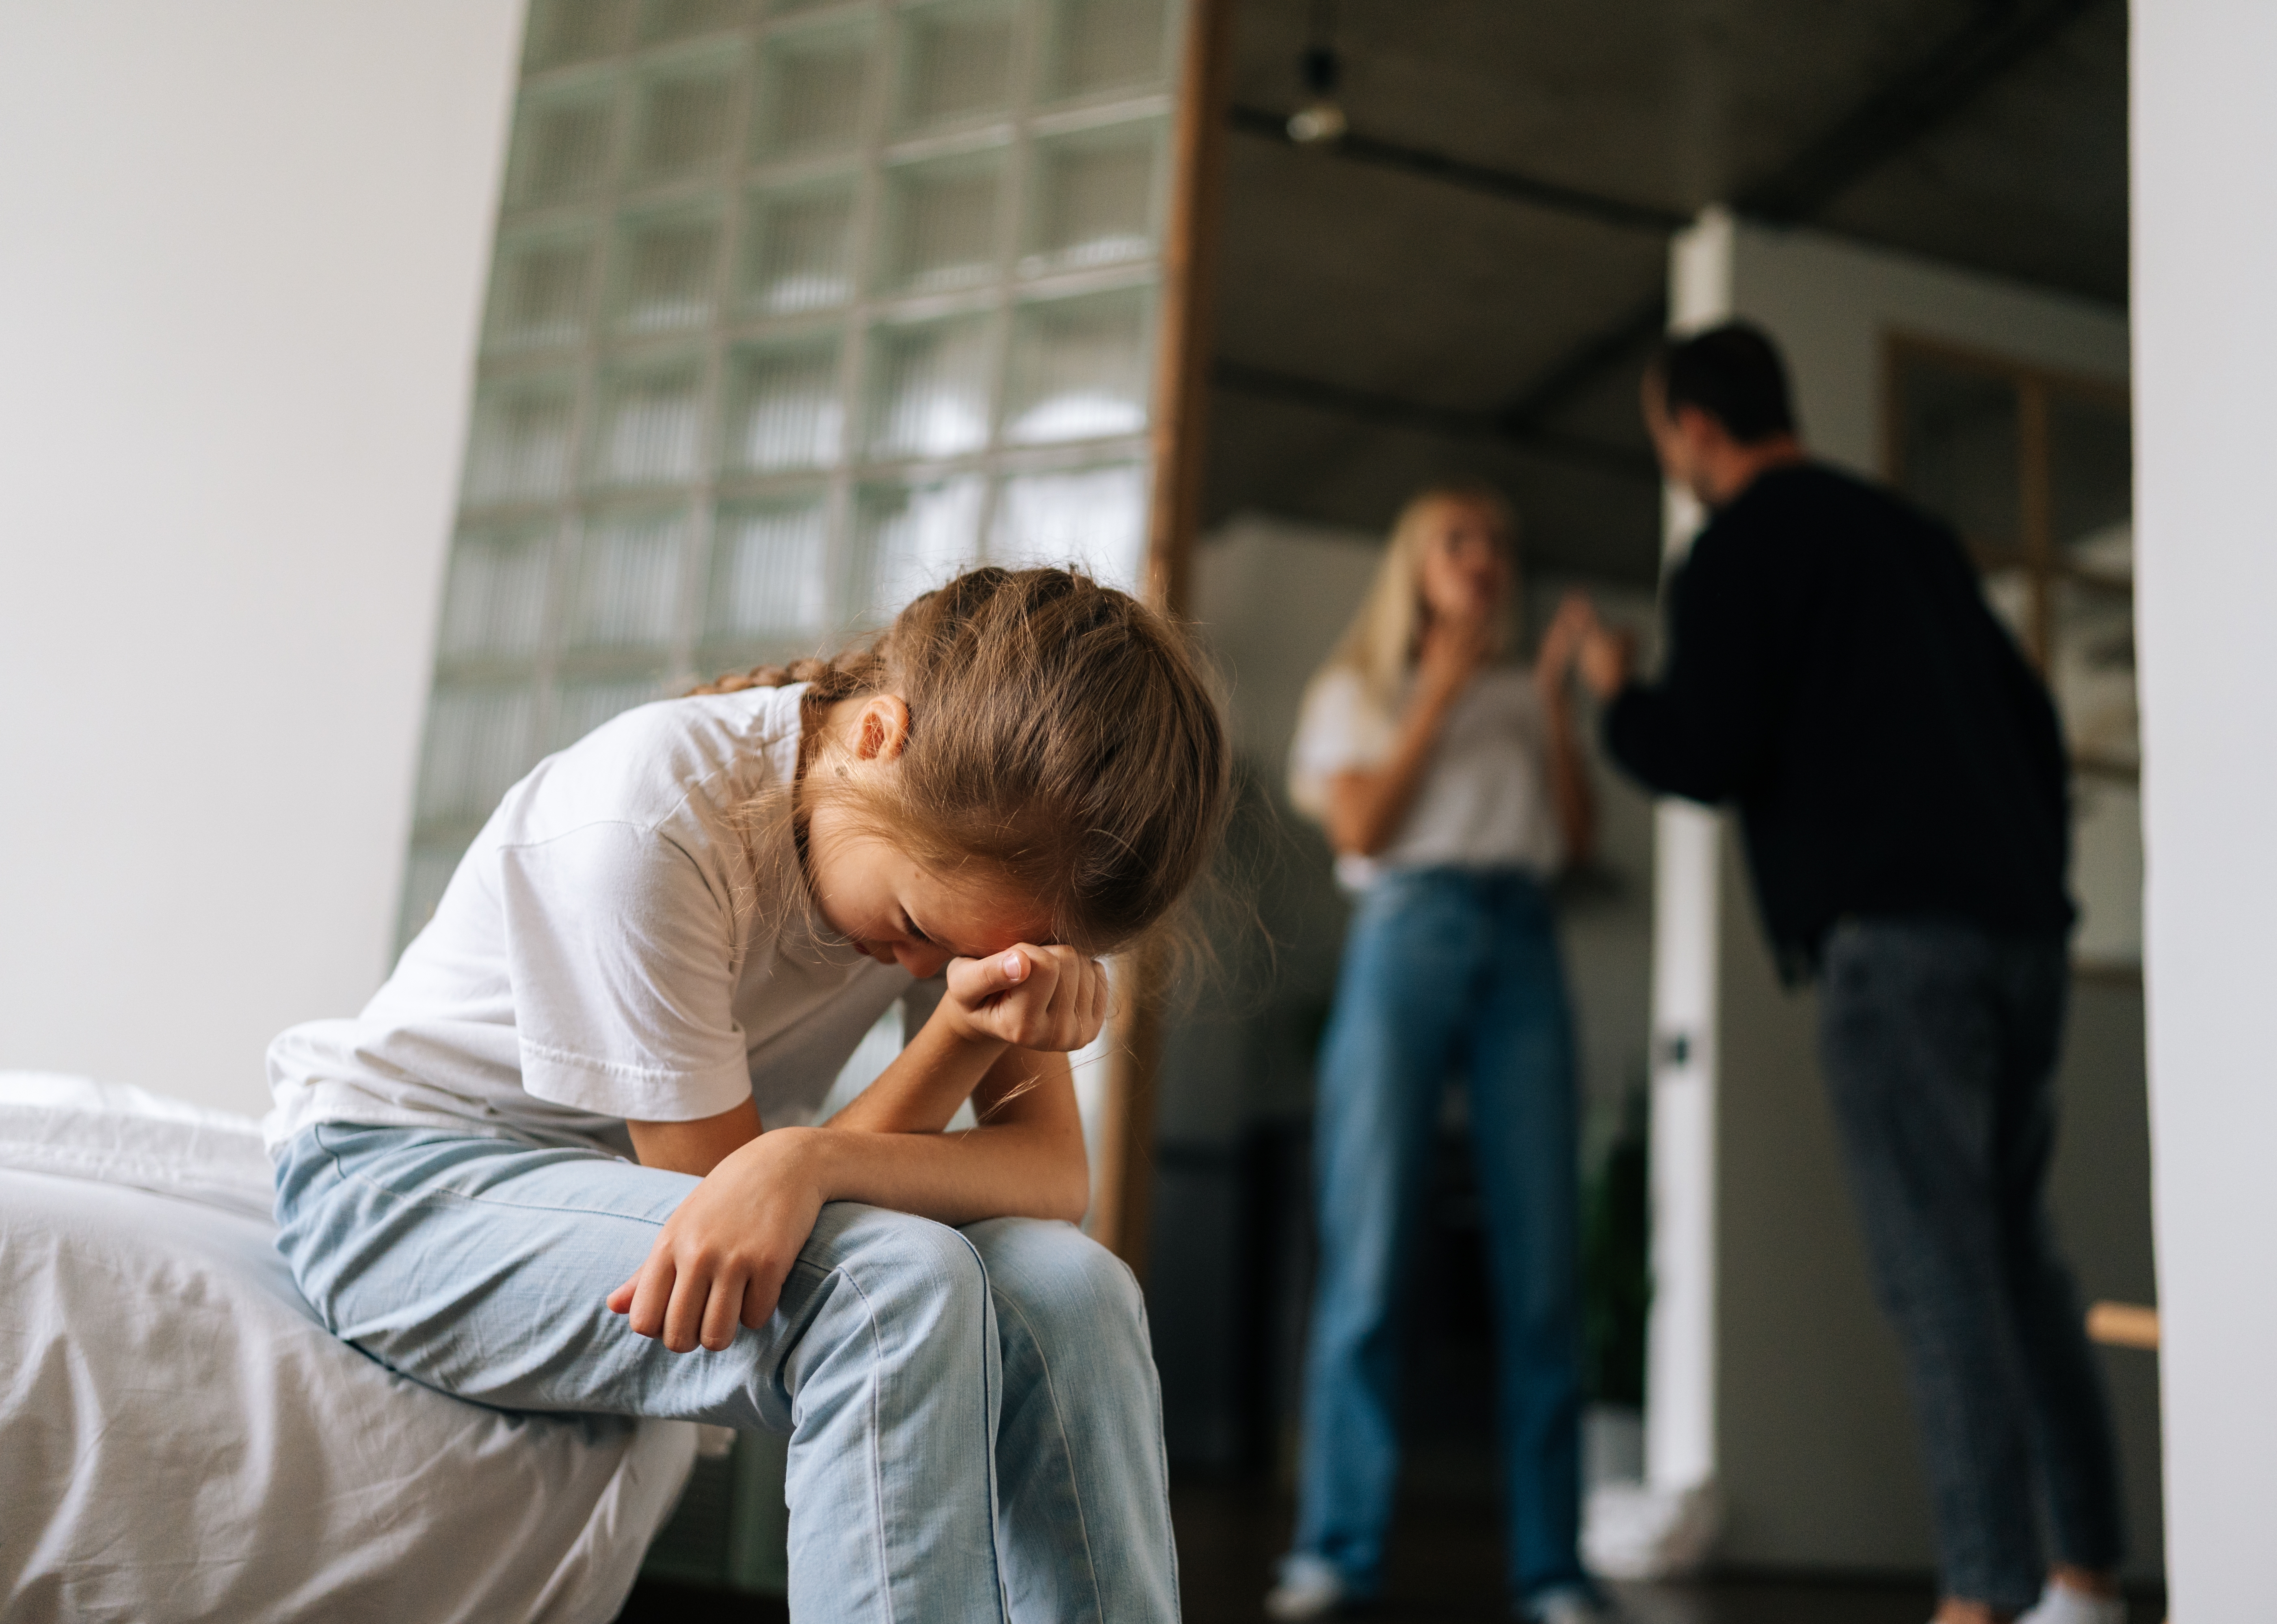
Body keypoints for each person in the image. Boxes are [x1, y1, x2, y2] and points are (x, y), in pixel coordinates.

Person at [266, 567, 1230, 1622]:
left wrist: (806, 1153)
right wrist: (943, 1044)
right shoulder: (655, 818)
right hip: (396, 1184)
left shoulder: (973, 859)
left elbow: (1049, 1176)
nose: (919, 969)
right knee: (889, 1289)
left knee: (1073, 1291)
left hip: (645, 1190)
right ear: (876, 738)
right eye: (915, 925)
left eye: (959, 960)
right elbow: (718, 1209)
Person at [1568, 322, 2127, 1624]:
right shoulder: (1910, 538)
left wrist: (1615, 694)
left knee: (1939, 1271)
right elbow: (2032, 727)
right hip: (2023, 935)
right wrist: (2034, 888)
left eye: (1668, 443)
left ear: (1697, 433)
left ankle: (1984, 1598)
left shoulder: (1734, 552)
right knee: (2018, 1261)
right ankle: (2086, 1580)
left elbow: (1704, 749)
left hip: (1898, 951)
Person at [1268, 485, 1604, 1624]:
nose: (1486, 559)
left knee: (1544, 1263)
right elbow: (1361, 832)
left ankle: (1553, 1568)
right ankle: (1336, 1550)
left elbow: (1578, 838)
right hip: (1406, 928)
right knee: (1367, 1250)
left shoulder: (1525, 692)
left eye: (1501, 542)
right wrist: (1442, 694)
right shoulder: (1354, 689)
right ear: (1414, 563)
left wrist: (1552, 705)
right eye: (1460, 541)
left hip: (1521, 934)